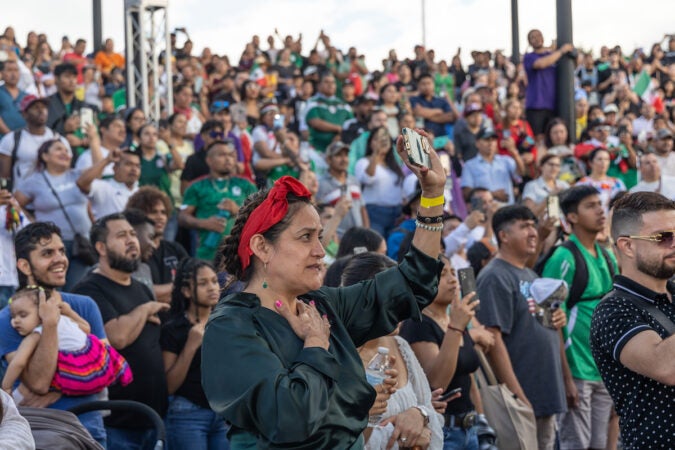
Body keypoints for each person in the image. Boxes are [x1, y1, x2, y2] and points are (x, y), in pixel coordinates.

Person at [202, 127, 447, 448]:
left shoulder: (322, 306)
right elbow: (290, 417)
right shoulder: (231, 327)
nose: (320, 250)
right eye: (306, 237)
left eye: (320, 236)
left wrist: (432, 192)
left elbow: (412, 284)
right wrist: (317, 343)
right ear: (262, 248)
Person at [0, 222, 108, 445]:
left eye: (62, 251)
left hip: (89, 426)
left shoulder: (84, 305)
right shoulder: (8, 319)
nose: (60, 259)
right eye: (47, 253)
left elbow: (105, 367)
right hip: (42, 433)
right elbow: (39, 383)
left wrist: (59, 389)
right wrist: (49, 323)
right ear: (24, 265)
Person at [73, 213, 170, 450]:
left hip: (154, 420)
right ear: (101, 247)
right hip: (117, 425)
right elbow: (117, 337)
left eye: (133, 235)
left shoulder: (141, 288)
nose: (131, 240)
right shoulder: (88, 290)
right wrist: (145, 310)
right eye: (121, 235)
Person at [476, 205, 568, 450]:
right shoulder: (494, 276)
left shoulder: (529, 274)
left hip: (544, 393)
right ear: (503, 236)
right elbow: (493, 338)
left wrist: (558, 318)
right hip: (522, 400)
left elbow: (546, 325)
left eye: (533, 225)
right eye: (524, 226)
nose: (533, 232)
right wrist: (518, 396)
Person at [590, 192, 675, 449]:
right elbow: (666, 366)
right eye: (664, 237)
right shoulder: (613, 310)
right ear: (627, 246)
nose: (674, 244)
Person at [340, 252, 443, 450]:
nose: (404, 310)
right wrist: (400, 437)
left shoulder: (399, 345)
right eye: (394, 300)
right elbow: (336, 439)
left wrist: (419, 414)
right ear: (363, 299)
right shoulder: (335, 353)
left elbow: (430, 410)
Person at [541, 186, 617, 450]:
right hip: (576, 370)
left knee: (600, 444)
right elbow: (551, 319)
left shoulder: (607, 256)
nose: (600, 210)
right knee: (576, 444)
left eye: (600, 204)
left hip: (603, 369)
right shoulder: (564, 256)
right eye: (590, 205)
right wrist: (565, 378)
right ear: (571, 217)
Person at [401, 254, 496, 450]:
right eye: (443, 274)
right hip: (444, 431)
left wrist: (482, 422)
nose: (453, 279)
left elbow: (469, 379)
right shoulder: (418, 324)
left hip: (469, 428)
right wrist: (456, 328)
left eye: (453, 272)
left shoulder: (454, 319)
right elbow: (437, 383)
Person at [2, 286, 132, 396]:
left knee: (20, 397)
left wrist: (6, 387)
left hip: (76, 372)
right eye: (13, 317)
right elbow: (86, 328)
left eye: (23, 315)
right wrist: (70, 313)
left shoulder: (35, 335)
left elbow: (18, 363)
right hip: (97, 362)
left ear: (43, 311)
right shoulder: (66, 320)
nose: (15, 321)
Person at [13, 135, 99, 290]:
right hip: (51, 246)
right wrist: (31, 221)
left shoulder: (77, 174)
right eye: (59, 149)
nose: (65, 153)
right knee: (54, 288)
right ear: (45, 156)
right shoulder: (34, 181)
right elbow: (14, 204)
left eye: (67, 150)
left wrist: (94, 141)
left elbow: (99, 169)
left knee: (77, 288)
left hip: (81, 244)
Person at [161, 258, 229, 449]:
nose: (212, 287)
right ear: (187, 291)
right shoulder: (174, 329)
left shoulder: (225, 323)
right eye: (203, 283)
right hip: (188, 414)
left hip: (223, 414)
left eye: (214, 281)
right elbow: (169, 386)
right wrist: (191, 346)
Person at [179, 140, 257, 261]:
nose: (228, 159)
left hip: (239, 254)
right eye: (222, 155)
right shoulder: (196, 186)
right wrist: (204, 223)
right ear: (209, 160)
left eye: (231, 155)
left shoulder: (246, 185)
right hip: (207, 253)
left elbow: (261, 216)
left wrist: (238, 210)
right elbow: (182, 217)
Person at [127, 186, 188, 304]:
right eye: (153, 212)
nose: (160, 217)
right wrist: (179, 287)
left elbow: (194, 283)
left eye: (163, 212)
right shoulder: (134, 251)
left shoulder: (175, 249)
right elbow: (141, 293)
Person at [0, 94, 70, 188]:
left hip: (52, 197)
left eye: (44, 107)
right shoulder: (11, 140)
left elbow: (66, 172)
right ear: (24, 114)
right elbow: (4, 176)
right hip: (21, 198)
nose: (41, 111)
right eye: (36, 107)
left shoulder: (59, 140)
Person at [523, 29, 574, 141]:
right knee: (538, 138)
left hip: (553, 105)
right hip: (536, 105)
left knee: (552, 137)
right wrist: (561, 51)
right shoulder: (529, 57)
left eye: (539, 35)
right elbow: (541, 64)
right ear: (529, 42)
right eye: (533, 37)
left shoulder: (552, 54)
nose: (537, 38)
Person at [355, 126, 404, 238]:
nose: (382, 142)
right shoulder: (363, 162)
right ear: (370, 142)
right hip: (374, 212)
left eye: (385, 138)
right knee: (376, 248)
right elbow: (368, 179)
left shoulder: (394, 166)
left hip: (396, 213)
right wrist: (376, 154)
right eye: (377, 139)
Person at [317, 141, 369, 237]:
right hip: (338, 238)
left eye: (346, 155)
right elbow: (320, 216)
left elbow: (362, 208)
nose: (344, 159)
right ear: (328, 159)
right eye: (338, 155)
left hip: (360, 235)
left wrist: (367, 232)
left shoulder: (354, 180)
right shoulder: (321, 184)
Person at [460, 128, 524, 205]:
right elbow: (466, 193)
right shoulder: (469, 165)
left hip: (508, 210)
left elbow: (521, 173)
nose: (490, 143)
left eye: (493, 140)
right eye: (486, 140)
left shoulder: (506, 160)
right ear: (477, 143)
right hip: (484, 212)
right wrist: (493, 194)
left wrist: (515, 153)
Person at [305, 72, 354, 152]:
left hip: (340, 150)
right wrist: (338, 128)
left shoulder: (344, 105)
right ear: (319, 85)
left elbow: (351, 125)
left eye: (333, 82)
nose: (330, 85)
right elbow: (315, 122)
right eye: (326, 82)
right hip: (317, 150)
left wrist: (340, 135)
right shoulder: (312, 102)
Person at [577, 147, 627, 213]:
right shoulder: (582, 184)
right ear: (590, 162)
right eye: (600, 159)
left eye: (607, 159)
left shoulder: (618, 183)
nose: (604, 162)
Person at [409, 73, 455, 138]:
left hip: (440, 138)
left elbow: (450, 116)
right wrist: (438, 111)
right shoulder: (414, 99)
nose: (426, 86)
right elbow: (418, 112)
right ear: (418, 86)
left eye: (429, 83)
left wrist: (425, 114)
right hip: (420, 137)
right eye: (423, 84)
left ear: (433, 84)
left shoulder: (441, 101)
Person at [0, 59, 27, 136]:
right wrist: (10, 136)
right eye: (9, 70)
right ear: (2, 73)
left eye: (16, 70)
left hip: (23, 141)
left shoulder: (26, 96)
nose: (13, 74)